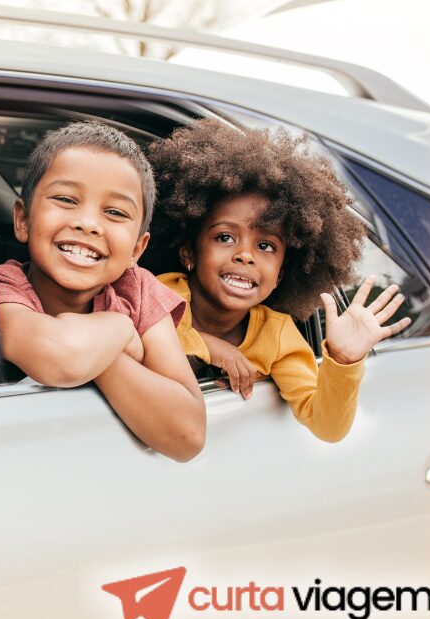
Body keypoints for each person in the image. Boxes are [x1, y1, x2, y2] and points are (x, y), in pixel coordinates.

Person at [144, 118, 411, 443]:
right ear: (189, 253)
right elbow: (130, 331)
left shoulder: (278, 336)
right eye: (225, 237)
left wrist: (343, 360)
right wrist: (210, 347)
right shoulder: (160, 291)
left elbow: (327, 427)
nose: (246, 255)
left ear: (281, 274)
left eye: (266, 246)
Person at [0, 122, 205, 462]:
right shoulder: (3, 286)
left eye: (115, 212)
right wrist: (121, 331)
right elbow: (60, 356)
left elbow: (188, 435)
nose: (88, 223)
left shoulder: (137, 288)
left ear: (137, 249)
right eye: (65, 199)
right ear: (23, 220)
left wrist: (102, 353)